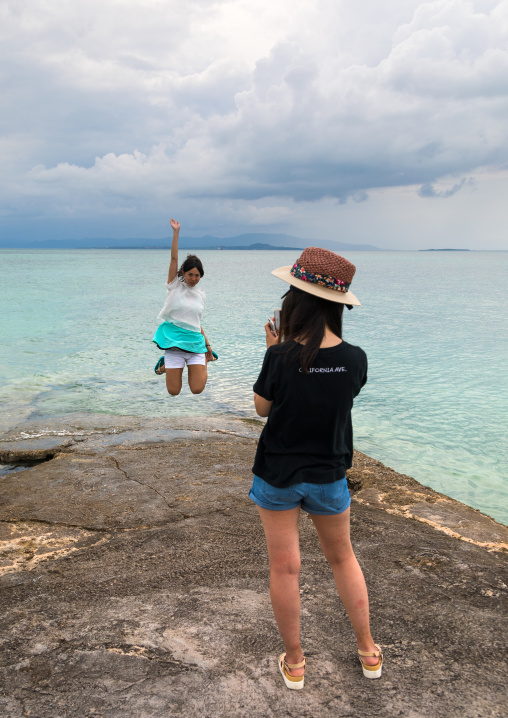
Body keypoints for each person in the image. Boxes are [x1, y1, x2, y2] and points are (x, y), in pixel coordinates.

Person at [249, 247, 382, 690]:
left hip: (279, 477)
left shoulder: (280, 356)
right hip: (329, 477)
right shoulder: (356, 359)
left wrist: (276, 350)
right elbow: (334, 397)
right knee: (343, 559)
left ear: (297, 302)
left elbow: (263, 409)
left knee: (285, 569)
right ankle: (368, 652)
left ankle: (296, 662)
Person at [153, 219, 216, 396]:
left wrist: (208, 347)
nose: (193, 278)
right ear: (183, 273)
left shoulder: (201, 295)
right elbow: (173, 257)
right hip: (174, 345)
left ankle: (200, 362)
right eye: (190, 274)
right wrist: (176, 232)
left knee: (197, 389)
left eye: (197, 275)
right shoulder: (174, 286)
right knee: (174, 391)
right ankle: (167, 364)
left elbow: (195, 323)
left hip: (195, 344)